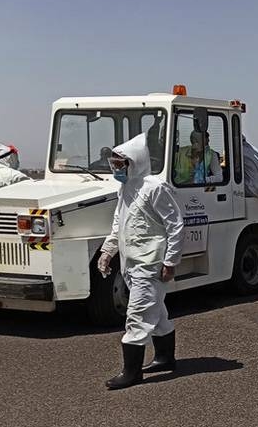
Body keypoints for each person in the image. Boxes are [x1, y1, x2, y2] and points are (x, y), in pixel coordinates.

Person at [97, 134, 185, 390]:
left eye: (120, 164)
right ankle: (165, 358)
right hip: (131, 263)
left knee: (136, 316)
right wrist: (107, 252)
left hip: (150, 264)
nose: (116, 169)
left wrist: (171, 261)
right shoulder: (125, 188)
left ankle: (131, 372)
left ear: (133, 162)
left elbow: (175, 225)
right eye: (113, 164)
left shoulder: (154, 188)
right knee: (157, 315)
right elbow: (119, 225)